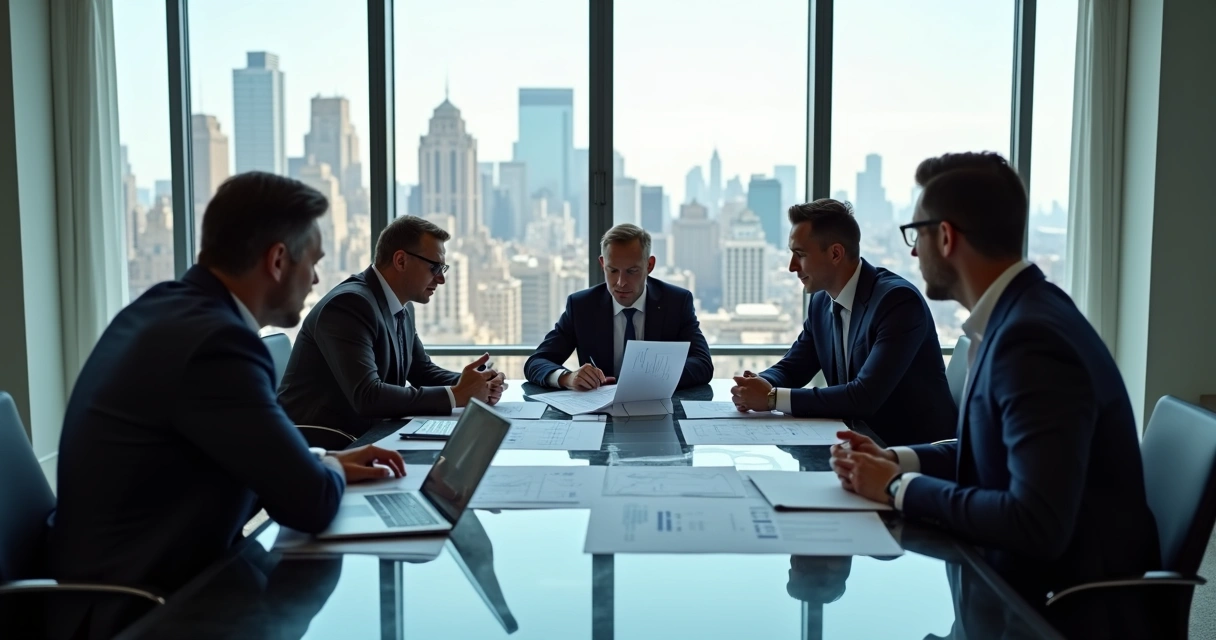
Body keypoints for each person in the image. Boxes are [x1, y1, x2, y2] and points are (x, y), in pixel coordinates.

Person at [49, 172, 406, 640]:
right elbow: (311, 503)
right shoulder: (218, 344)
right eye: (313, 262)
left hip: (133, 575)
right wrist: (329, 474)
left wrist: (328, 461)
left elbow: (250, 454)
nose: (317, 278)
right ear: (278, 260)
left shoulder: (166, 306)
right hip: (144, 611)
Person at [830, 152, 1160, 638]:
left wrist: (897, 489)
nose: (914, 253)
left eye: (916, 233)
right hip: (1014, 587)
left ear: (946, 236)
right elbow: (996, 452)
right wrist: (897, 460)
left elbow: (1035, 523)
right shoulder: (1021, 315)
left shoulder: (1030, 339)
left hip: (1054, 611)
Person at [730, 199, 955, 446]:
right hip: (854, 442)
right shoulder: (821, 302)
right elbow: (794, 367)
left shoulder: (897, 302)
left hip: (912, 454)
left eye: (800, 255)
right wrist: (757, 383)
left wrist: (772, 398)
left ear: (836, 253)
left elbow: (864, 396)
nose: (792, 267)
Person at [278, 216, 504, 436]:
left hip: (370, 434)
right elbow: (368, 396)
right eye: (435, 267)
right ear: (401, 261)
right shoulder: (349, 305)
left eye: (443, 270)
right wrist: (457, 395)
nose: (440, 279)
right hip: (326, 442)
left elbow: (421, 370)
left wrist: (476, 384)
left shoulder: (401, 305)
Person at [524, 223, 713, 390]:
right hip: (599, 417)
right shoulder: (582, 306)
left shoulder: (676, 303)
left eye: (632, 271)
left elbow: (703, 364)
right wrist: (568, 377)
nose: (621, 282)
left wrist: (654, 377)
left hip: (658, 411)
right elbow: (537, 362)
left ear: (650, 265)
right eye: (613, 270)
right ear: (602, 263)